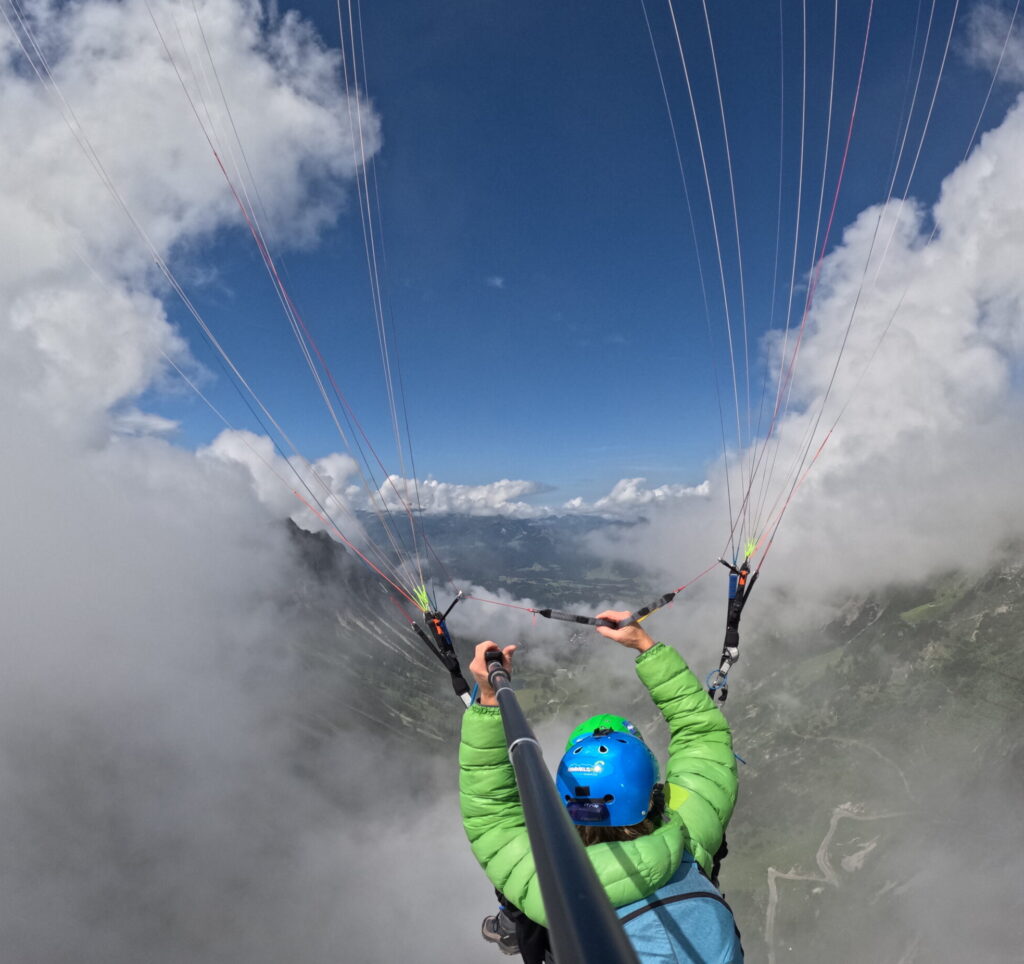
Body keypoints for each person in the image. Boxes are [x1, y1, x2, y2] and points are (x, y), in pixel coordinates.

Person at [459, 611, 744, 963]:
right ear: (651, 790)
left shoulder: (540, 878)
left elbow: (490, 809)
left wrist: (488, 700)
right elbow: (703, 736)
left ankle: (509, 924)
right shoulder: (688, 831)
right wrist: (645, 646)